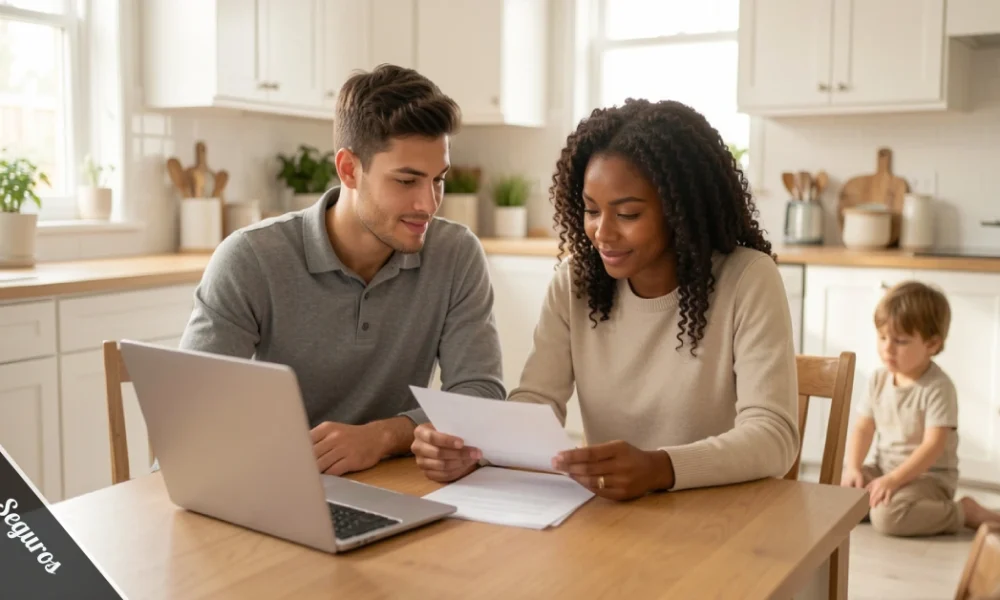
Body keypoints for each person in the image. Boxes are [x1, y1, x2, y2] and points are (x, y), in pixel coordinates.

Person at [410, 98, 800, 500]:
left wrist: (660, 467)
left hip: (723, 517)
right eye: (592, 210)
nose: (602, 233)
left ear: (681, 212)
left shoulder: (747, 278)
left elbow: (773, 438)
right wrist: (476, 450)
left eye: (628, 214)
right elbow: (538, 400)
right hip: (614, 516)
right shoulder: (576, 283)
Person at [179, 64, 505, 477]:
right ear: (349, 169)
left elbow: (480, 396)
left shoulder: (456, 254)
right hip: (279, 486)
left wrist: (383, 437)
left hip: (402, 488)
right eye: (407, 181)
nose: (428, 203)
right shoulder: (250, 259)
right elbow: (190, 424)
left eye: (438, 180)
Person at [840, 281, 1000, 536]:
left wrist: (894, 481)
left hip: (928, 478)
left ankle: (964, 512)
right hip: (884, 470)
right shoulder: (878, 380)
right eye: (882, 337)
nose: (887, 348)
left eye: (900, 341)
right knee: (835, 491)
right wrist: (854, 468)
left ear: (932, 345)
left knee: (887, 517)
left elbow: (932, 446)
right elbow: (863, 428)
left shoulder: (938, 387)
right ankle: (875, 501)